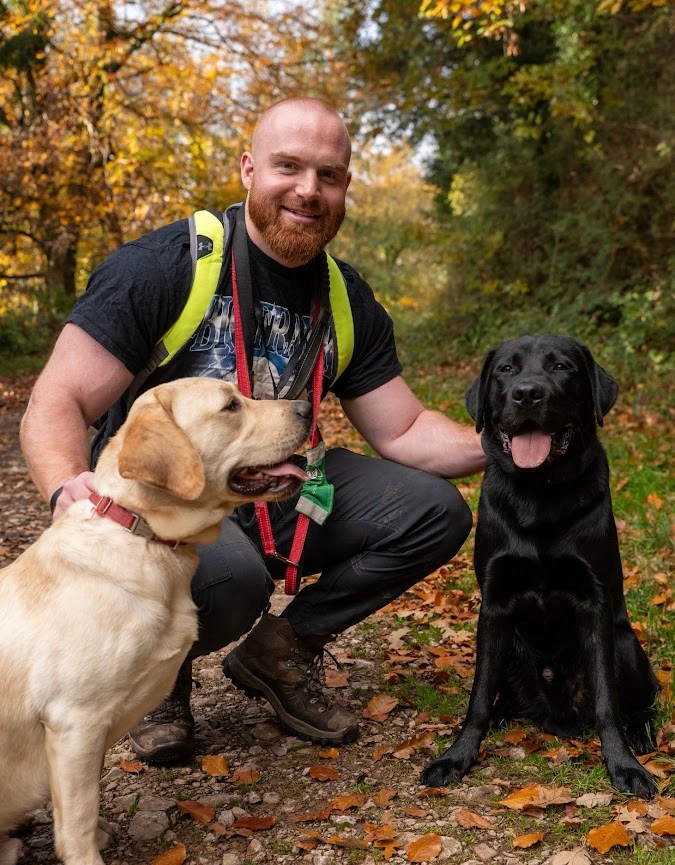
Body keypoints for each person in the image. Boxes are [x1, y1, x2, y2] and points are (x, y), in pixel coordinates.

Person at [20, 97, 485, 765]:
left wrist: (505, 446)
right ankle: (159, 680)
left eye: (328, 175)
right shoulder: (165, 266)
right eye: (287, 167)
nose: (307, 190)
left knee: (432, 512)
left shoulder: (345, 297)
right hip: (163, 503)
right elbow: (57, 399)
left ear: (345, 186)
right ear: (247, 169)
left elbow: (406, 428)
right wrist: (69, 489)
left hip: (274, 482)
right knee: (231, 579)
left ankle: (279, 649)